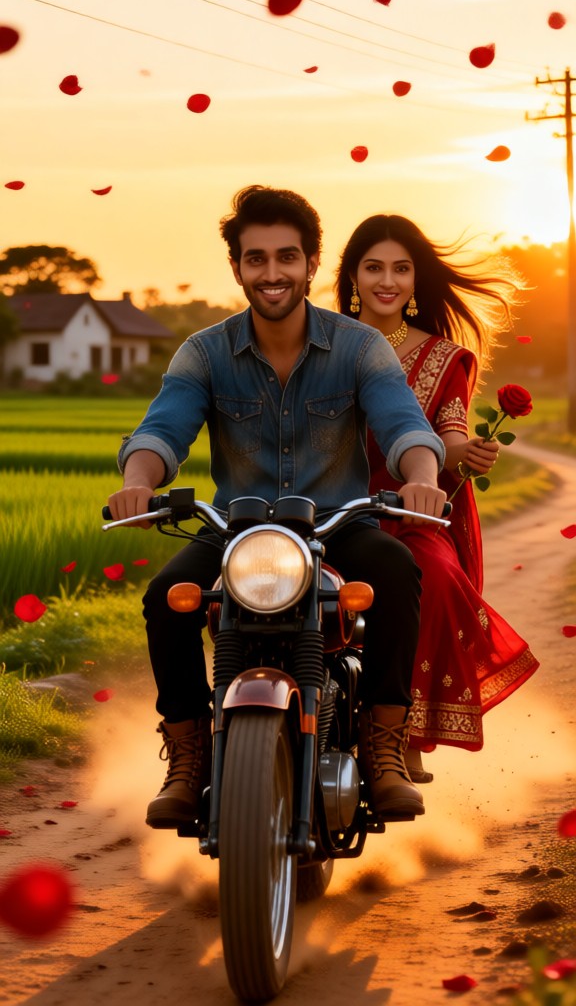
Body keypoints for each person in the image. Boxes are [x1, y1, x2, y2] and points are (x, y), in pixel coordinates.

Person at [108, 186, 448, 827]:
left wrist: (422, 474)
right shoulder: (204, 352)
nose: (272, 274)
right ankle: (188, 759)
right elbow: (163, 429)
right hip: (235, 531)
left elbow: (404, 425)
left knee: (398, 570)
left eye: (286, 257)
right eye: (255, 259)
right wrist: (138, 478)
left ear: (312, 263)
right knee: (166, 596)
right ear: (236, 267)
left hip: (336, 526)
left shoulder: (359, 347)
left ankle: (383, 747)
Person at [335, 214, 539, 782]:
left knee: (432, 572)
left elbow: (447, 433)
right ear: (352, 275)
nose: (388, 280)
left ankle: (399, 731)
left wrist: (462, 453)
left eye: (402, 268)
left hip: (408, 513)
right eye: (374, 267)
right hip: (322, 513)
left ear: (417, 280)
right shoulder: (318, 342)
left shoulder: (445, 359)